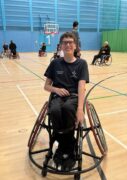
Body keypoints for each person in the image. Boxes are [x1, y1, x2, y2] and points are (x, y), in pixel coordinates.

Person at [44, 32, 89, 170]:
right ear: (61, 46)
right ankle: (66, 145)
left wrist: (80, 109)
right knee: (55, 110)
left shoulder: (82, 64)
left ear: (75, 45)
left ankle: (66, 148)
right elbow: (46, 86)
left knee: (69, 108)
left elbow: (82, 87)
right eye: (65, 42)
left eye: (70, 42)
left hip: (74, 97)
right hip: (58, 97)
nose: (68, 44)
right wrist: (56, 90)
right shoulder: (55, 63)